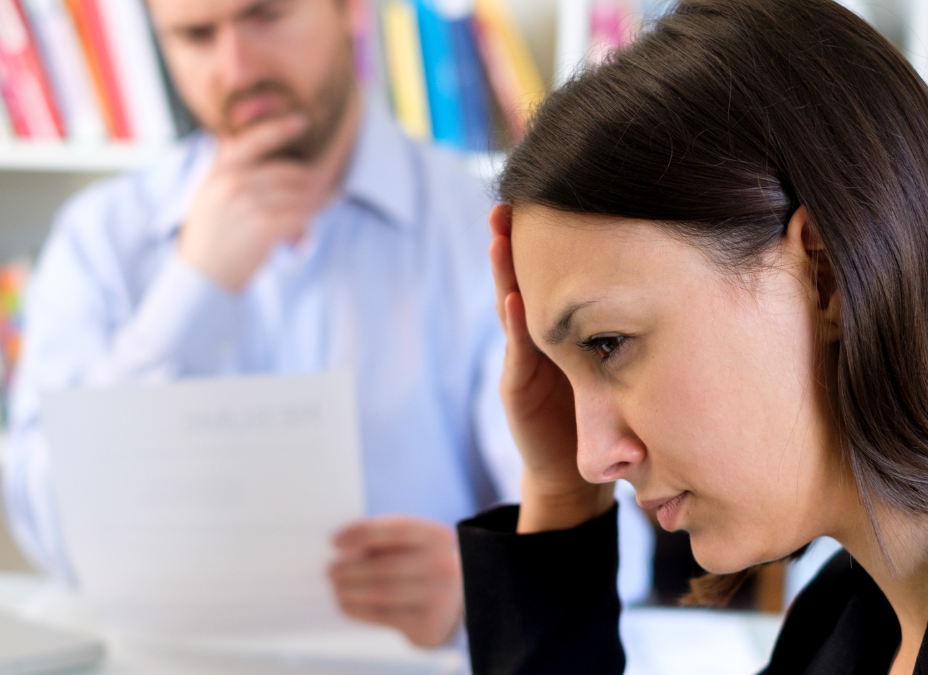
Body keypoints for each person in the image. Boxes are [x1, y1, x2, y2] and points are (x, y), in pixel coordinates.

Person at [1, 0, 652, 649]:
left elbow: (611, 524)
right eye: (197, 36)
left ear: (350, 11)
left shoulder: (481, 234)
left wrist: (478, 589)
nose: (237, 67)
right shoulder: (99, 240)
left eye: (265, 17)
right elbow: (55, 538)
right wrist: (190, 293)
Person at [457, 0, 928, 673]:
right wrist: (558, 494)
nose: (592, 458)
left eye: (608, 343)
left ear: (825, 273)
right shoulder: (844, 619)